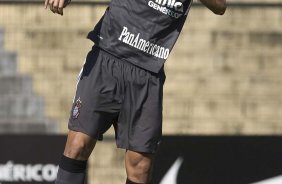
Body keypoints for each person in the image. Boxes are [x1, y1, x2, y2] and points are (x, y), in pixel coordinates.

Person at [44, 0, 226, 183]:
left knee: (140, 168)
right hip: (108, 56)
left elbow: (220, 6)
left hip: (148, 73)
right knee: (77, 146)